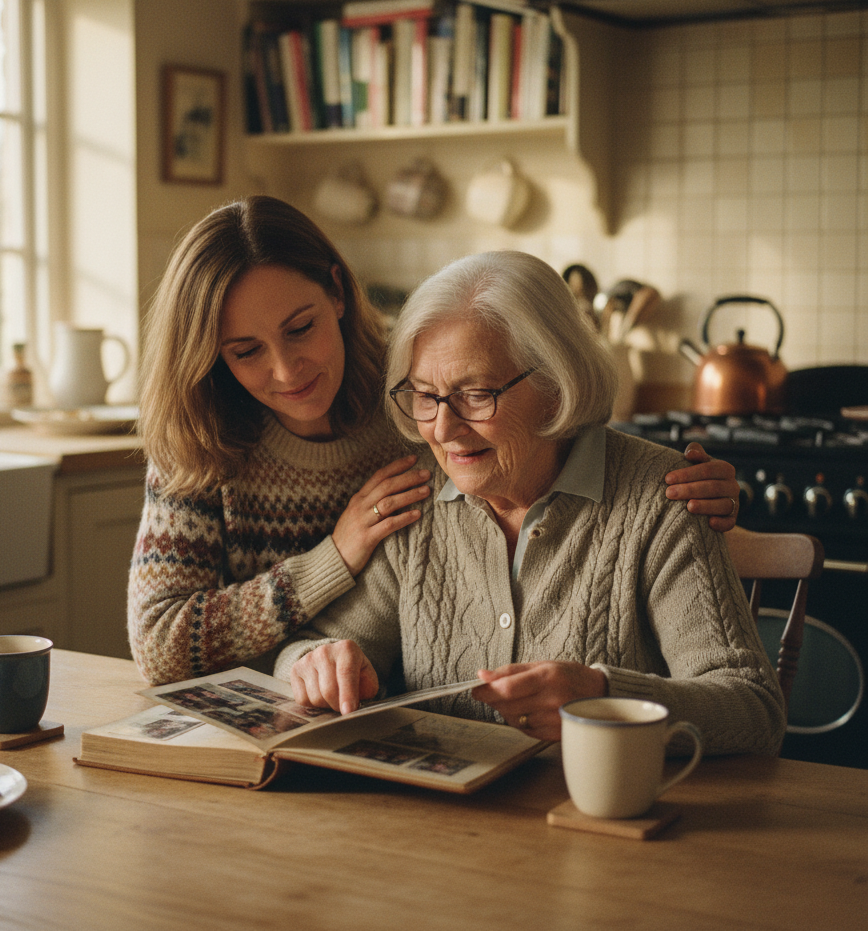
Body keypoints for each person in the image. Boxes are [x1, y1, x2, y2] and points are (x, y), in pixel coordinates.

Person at [128, 196, 743, 688]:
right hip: (271, 716)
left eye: (301, 328)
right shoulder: (201, 436)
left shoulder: (419, 385)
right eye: (246, 351)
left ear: (337, 294)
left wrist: (671, 484)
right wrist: (332, 563)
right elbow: (158, 644)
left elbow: (547, 426)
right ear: (212, 357)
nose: (287, 371)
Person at [277, 250, 785, 756]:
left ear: (555, 382)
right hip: (436, 825)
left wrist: (605, 699)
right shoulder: (416, 500)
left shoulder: (662, 497)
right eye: (425, 395)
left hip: (596, 821)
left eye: (475, 394)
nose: (443, 429)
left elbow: (754, 709)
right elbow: (308, 649)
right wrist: (318, 663)